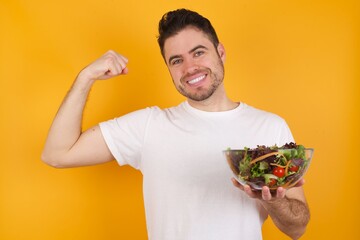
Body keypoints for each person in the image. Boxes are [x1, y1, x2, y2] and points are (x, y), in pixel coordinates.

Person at [42, 8, 310, 240]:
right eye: (177, 60)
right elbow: (57, 154)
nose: (190, 67)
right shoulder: (148, 126)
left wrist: (275, 202)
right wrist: (85, 77)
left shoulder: (269, 127)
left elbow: (297, 228)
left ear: (220, 52)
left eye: (198, 52)